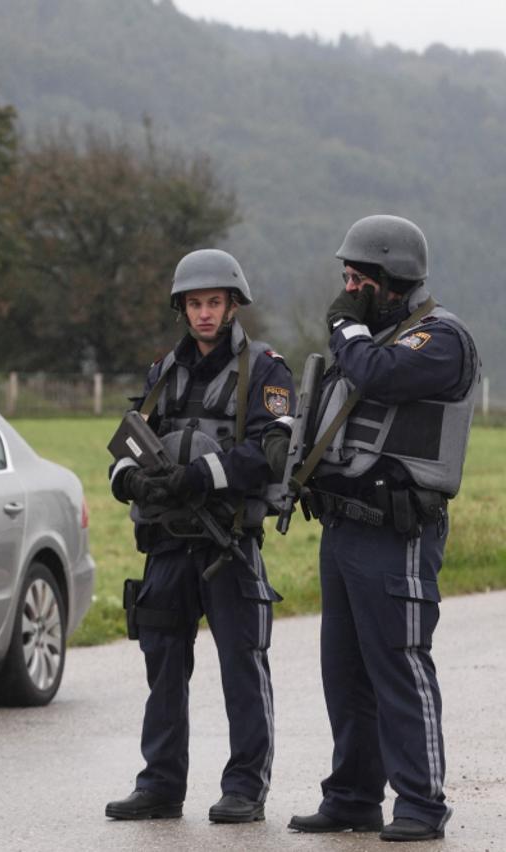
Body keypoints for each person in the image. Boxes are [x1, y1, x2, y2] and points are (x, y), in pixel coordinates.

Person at [285, 215, 478, 842]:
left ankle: (421, 805)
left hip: (398, 533)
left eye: (357, 277)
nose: (346, 288)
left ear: (392, 278)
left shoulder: (440, 340)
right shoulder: (372, 338)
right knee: (344, 672)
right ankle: (352, 798)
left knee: (398, 665)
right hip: (345, 528)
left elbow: (381, 375)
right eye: (344, 277)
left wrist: (346, 326)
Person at [105, 249, 293, 824]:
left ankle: (245, 787)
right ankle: (160, 785)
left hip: (227, 543)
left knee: (242, 663)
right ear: (182, 309)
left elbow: (271, 450)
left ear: (232, 305)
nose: (204, 313)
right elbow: (126, 444)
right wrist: (130, 479)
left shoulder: (266, 369)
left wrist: (198, 477)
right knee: (162, 663)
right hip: (166, 543)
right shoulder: (164, 371)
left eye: (214, 302)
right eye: (194, 304)